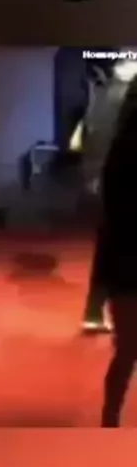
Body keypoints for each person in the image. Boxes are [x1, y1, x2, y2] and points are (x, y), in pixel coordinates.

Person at [76, 63, 129, 333]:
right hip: (121, 177)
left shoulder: (105, 93)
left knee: (109, 246)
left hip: (110, 176)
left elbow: (93, 136)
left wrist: (93, 175)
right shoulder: (121, 93)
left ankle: (95, 310)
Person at [100, 69, 137, 427]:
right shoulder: (126, 148)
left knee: (127, 349)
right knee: (127, 349)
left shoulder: (120, 145)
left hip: (123, 259)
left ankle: (109, 419)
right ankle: (109, 420)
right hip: (128, 257)